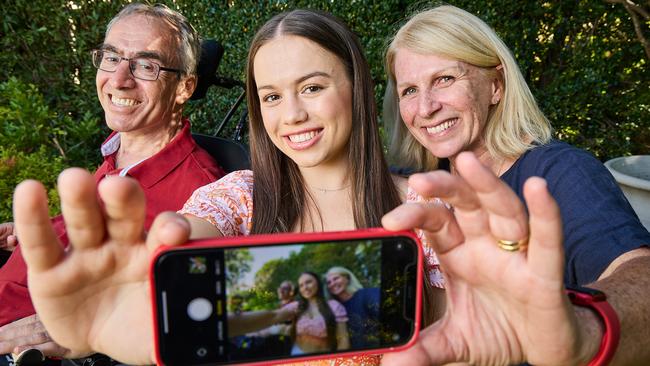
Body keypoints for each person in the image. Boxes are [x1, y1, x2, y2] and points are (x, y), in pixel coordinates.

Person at [8, 8, 417, 365]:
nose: (291, 114)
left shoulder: (421, 210)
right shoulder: (239, 196)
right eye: (271, 96)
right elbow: (186, 236)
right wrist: (141, 287)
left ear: (356, 86)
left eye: (312, 87)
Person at [381, 5, 650, 365]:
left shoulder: (562, 173)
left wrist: (582, 329)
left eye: (445, 79)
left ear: (496, 85)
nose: (426, 107)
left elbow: (639, 273)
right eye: (409, 90)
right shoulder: (410, 186)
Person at [0, 3, 224, 364]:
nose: (119, 79)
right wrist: (39, 237)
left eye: (146, 65)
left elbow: (159, 322)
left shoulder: (198, 199)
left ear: (184, 87)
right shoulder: (116, 156)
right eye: (111, 57)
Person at [284, 272, 349, 355]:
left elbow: (343, 341)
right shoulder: (296, 306)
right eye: (301, 285)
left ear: (318, 283)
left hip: (323, 359)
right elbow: (276, 316)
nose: (305, 287)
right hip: (297, 354)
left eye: (308, 282)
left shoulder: (334, 306)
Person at [325, 267, 380, 349]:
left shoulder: (368, 294)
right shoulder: (335, 309)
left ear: (347, 279)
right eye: (329, 282)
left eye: (336, 278)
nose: (332, 284)